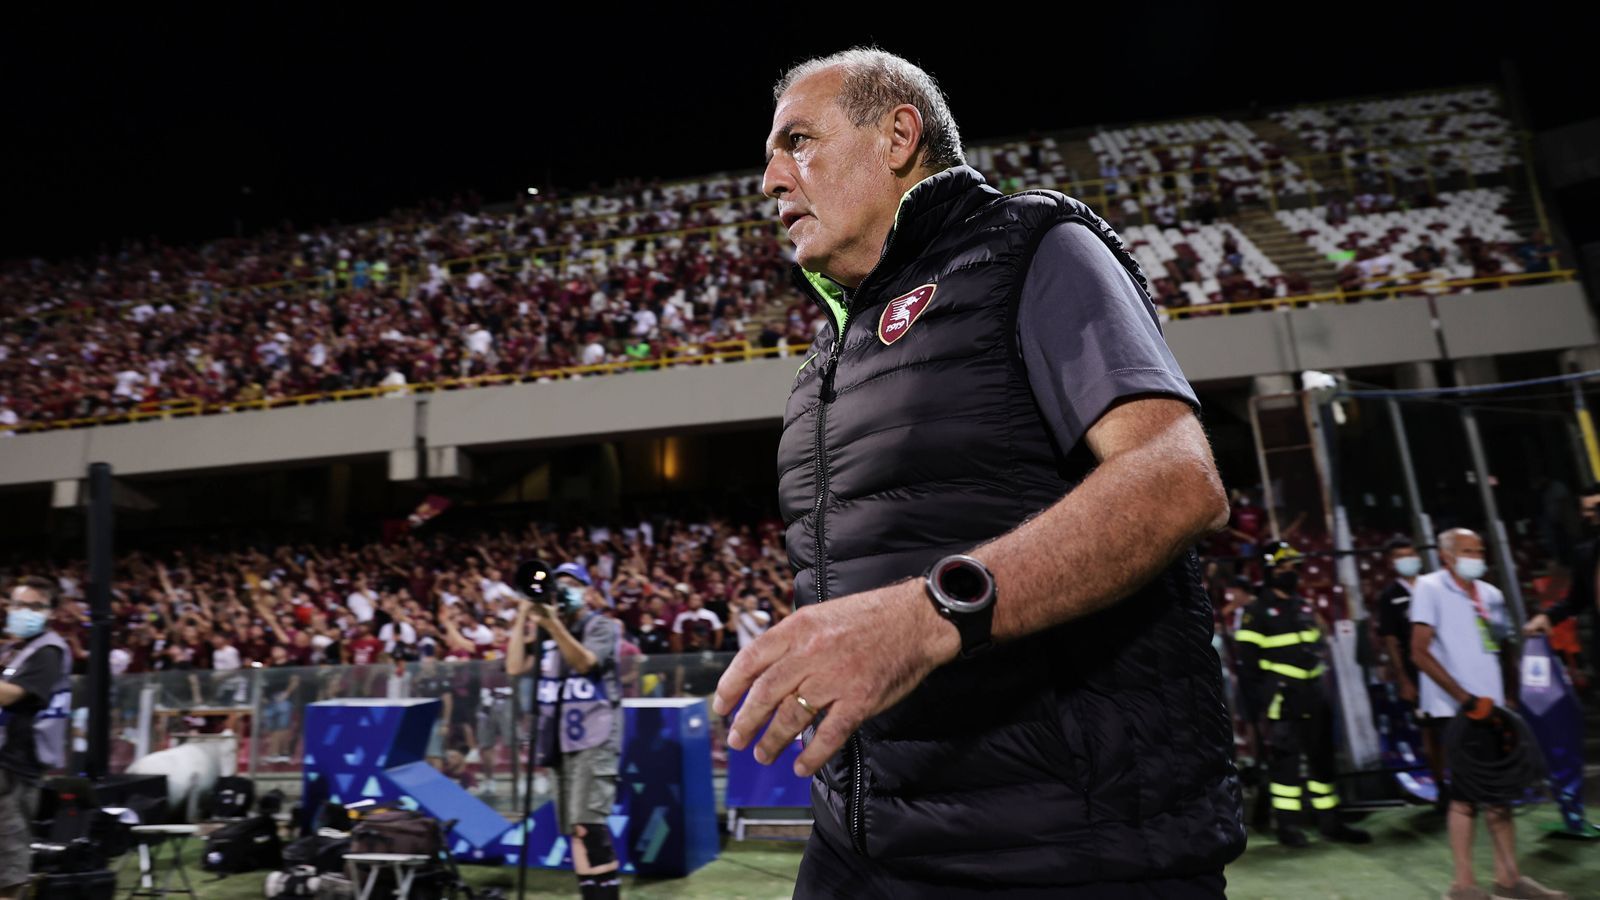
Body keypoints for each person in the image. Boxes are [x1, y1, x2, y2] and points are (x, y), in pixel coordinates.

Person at [717, 48, 1242, 896]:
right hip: (863, 842)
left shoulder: (1033, 248)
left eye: (799, 142)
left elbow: (1176, 480)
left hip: (1059, 851)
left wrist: (928, 614)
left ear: (897, 135)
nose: (770, 179)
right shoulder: (827, 360)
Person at [1411, 528, 1566, 900]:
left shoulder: (1491, 594)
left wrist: (1510, 697)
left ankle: (1508, 880)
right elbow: (1419, 652)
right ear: (1446, 556)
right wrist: (1465, 700)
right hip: (1457, 711)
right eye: (1466, 550)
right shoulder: (1430, 588)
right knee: (1465, 796)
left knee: (1501, 793)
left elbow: (1499, 646)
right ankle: (1462, 886)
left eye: (1479, 550)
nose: (1475, 556)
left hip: (1493, 709)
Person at [1234, 543, 1371, 848]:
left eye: (1294, 567)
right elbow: (1248, 664)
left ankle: (1330, 822)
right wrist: (1260, 706)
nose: (1291, 572)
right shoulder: (1255, 612)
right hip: (1283, 698)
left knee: (1323, 760)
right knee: (1286, 764)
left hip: (1314, 694)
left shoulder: (1302, 605)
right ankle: (1287, 827)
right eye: (1285, 568)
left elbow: (1315, 644)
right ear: (1270, 570)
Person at [506, 563, 622, 900]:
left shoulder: (600, 626)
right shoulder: (544, 633)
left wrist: (552, 623)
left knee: (590, 826)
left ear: (587, 590)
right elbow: (514, 666)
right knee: (575, 829)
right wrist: (524, 615)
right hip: (559, 741)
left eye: (573, 583)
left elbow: (586, 663)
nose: (564, 589)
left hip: (595, 738)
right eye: (560, 584)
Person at [0, 578, 71, 900]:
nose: (22, 612)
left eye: (34, 606)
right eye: (18, 604)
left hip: (15, 767)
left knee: (8, 862)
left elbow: (10, 695)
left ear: (50, 612)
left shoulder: (48, 651)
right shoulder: (17, 649)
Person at [1524, 483, 1600, 638]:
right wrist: (1547, 617)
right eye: (1588, 510)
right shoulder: (1587, 555)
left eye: (1597, 508)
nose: (1594, 515)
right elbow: (1576, 600)